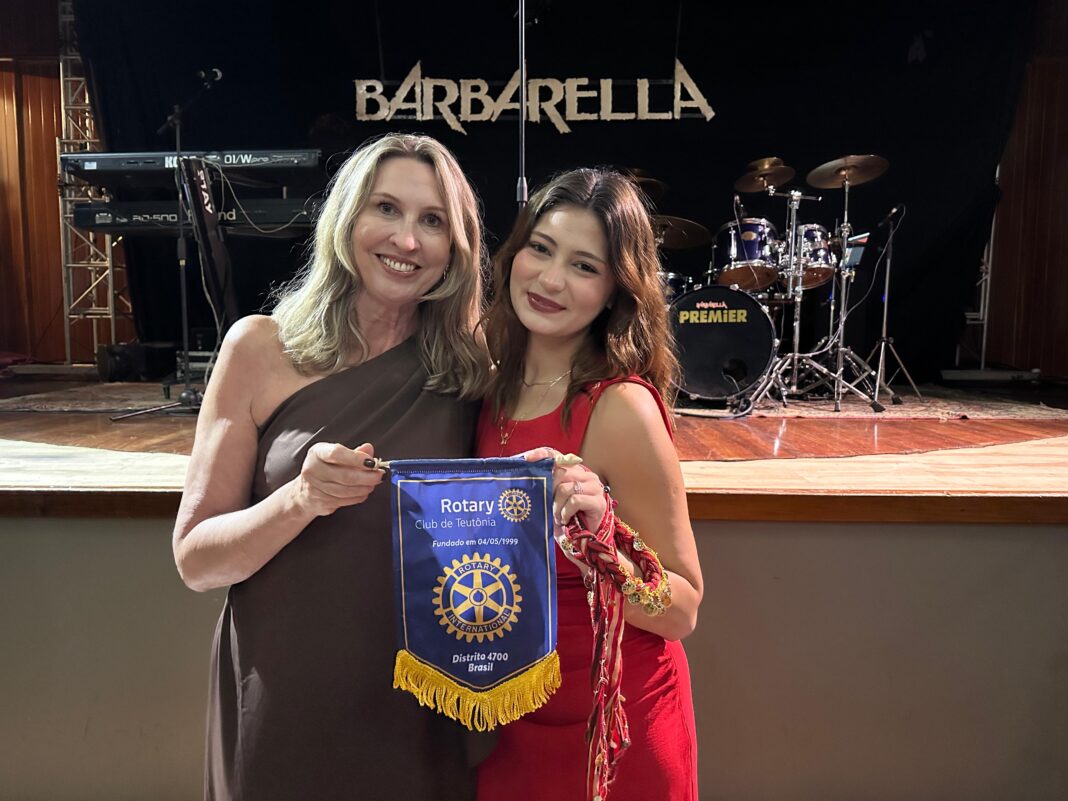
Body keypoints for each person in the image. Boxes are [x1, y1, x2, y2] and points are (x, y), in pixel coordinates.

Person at [172, 133, 489, 801]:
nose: (407, 239)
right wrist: (300, 498)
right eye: (386, 208)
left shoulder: (472, 368)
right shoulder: (258, 348)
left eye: (433, 220)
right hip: (284, 695)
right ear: (346, 217)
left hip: (419, 701)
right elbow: (197, 561)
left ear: (455, 248)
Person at [475, 168, 702, 800]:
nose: (550, 280)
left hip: (613, 729)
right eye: (541, 248)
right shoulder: (486, 387)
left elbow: (683, 609)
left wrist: (599, 548)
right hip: (509, 717)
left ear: (613, 292)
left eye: (583, 266)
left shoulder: (620, 407)